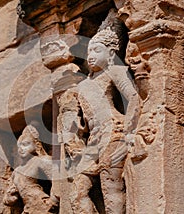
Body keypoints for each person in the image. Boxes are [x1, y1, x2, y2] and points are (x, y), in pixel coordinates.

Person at [58, 9, 143, 214]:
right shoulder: (82, 86)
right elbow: (70, 118)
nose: (91, 56)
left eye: (97, 50)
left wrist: (130, 131)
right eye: (88, 52)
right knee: (77, 191)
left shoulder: (114, 71)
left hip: (113, 132)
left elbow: (132, 97)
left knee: (110, 182)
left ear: (111, 53)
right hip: (93, 142)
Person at [3, 125, 59, 214]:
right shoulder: (16, 171)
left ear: (37, 145)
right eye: (19, 146)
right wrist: (10, 196)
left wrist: (52, 202)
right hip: (27, 208)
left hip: (41, 204)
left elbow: (57, 180)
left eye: (25, 144)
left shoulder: (41, 161)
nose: (21, 149)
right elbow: (8, 199)